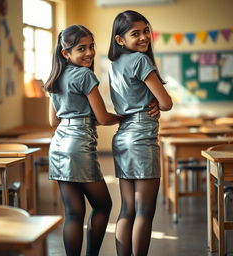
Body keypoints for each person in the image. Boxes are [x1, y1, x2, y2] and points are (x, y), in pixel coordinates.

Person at [44, 25, 124, 256]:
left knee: (73, 213)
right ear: (65, 53)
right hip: (79, 146)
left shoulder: (55, 77)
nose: (89, 53)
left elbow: (53, 121)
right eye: (81, 49)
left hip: (58, 145)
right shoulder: (85, 75)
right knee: (103, 205)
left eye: (91, 47)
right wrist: (125, 116)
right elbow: (103, 117)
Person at [108, 10, 173, 256]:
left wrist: (152, 101)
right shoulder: (140, 60)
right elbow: (166, 103)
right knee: (145, 211)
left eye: (146, 31)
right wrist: (158, 103)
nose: (144, 37)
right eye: (135, 33)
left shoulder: (115, 64)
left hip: (122, 135)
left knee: (127, 209)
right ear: (120, 40)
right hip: (142, 138)